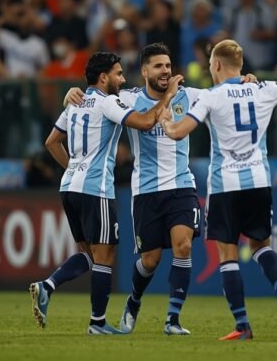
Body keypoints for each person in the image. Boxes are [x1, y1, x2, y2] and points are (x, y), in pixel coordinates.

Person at [160, 22, 277, 340]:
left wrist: (165, 114)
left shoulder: (211, 97)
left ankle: (242, 325)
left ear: (215, 65)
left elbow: (175, 133)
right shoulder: (263, 88)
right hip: (259, 181)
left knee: (228, 255)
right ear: (241, 66)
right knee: (261, 246)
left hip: (225, 185)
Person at [63, 44, 256, 335]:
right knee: (150, 261)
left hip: (181, 185)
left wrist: (244, 81)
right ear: (144, 71)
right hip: (145, 192)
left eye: (168, 65)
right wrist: (71, 93)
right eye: (158, 66)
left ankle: (173, 319)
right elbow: (96, 94)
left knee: (183, 245)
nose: (165, 71)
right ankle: (134, 300)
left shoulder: (189, 95)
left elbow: (224, 95)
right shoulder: (127, 97)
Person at [31, 52, 181, 335]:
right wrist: (168, 96)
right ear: (104, 77)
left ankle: (47, 286)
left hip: (70, 186)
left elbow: (51, 141)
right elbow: (147, 122)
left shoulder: (75, 101)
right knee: (106, 254)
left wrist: (74, 168)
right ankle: (97, 323)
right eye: (119, 73)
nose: (123, 79)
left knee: (88, 254)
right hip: (95, 189)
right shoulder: (107, 102)